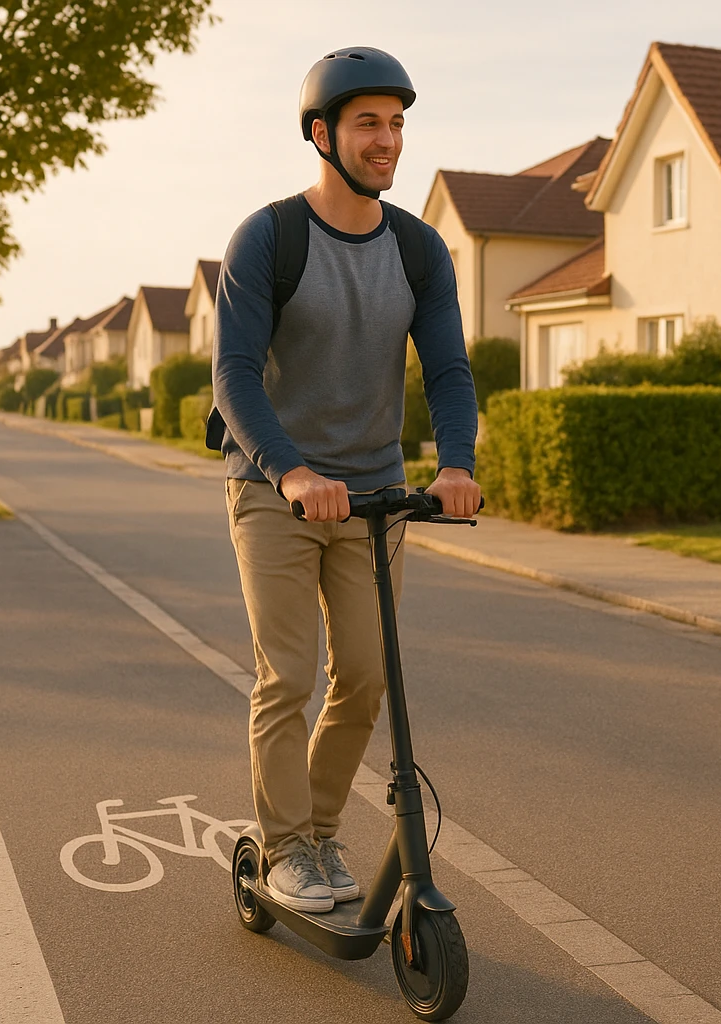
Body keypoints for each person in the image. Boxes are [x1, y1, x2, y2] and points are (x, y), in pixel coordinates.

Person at [212, 47, 480, 913]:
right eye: (370, 122)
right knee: (288, 675)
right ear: (322, 133)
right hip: (274, 487)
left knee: (365, 678)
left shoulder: (419, 248)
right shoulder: (269, 237)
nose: (388, 140)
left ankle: (316, 835)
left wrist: (456, 464)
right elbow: (235, 374)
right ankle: (284, 845)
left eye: (398, 124)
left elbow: (446, 369)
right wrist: (288, 470)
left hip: (373, 494)